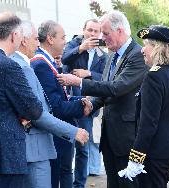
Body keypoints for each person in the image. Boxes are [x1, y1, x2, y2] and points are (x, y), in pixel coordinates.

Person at [57, 10, 149, 188]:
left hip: (127, 137)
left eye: (105, 33)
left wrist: (80, 82)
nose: (102, 38)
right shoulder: (112, 54)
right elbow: (106, 90)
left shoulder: (137, 55)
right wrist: (91, 103)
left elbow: (117, 88)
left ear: (120, 31)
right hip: (110, 137)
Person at [10, 21, 89, 188]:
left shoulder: (35, 63)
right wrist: (75, 126)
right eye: (35, 39)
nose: (38, 43)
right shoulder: (33, 65)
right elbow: (43, 110)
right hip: (41, 142)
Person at [118, 24, 169, 188]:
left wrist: (136, 158)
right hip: (168, 150)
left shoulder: (153, 77)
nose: (142, 50)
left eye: (146, 44)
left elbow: (148, 123)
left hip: (154, 153)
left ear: (157, 48)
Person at [0, 12, 43, 188]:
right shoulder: (8, 65)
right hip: (4, 158)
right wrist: (20, 114)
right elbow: (34, 109)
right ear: (15, 35)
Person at [62, 18, 108, 188]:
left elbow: (105, 78)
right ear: (83, 30)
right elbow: (65, 59)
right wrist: (81, 48)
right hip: (67, 103)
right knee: (67, 146)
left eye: (96, 31)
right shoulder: (73, 44)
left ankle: (79, 184)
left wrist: (88, 73)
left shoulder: (102, 54)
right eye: (90, 30)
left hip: (87, 106)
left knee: (83, 147)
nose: (92, 34)